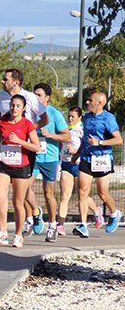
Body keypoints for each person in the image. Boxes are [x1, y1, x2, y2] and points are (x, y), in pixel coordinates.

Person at [0, 68, 49, 234]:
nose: (2, 82)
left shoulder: (30, 98)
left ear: (15, 83)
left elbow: (45, 119)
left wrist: (27, 131)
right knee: (1, 194)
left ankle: (35, 212)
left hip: (25, 148)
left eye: (5, 79)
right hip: (5, 148)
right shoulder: (0, 96)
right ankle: (2, 231)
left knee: (23, 191)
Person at [0, 94, 41, 248]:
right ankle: (2, 231)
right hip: (4, 164)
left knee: (18, 202)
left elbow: (36, 146)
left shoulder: (27, 124)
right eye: (12, 105)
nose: (14, 108)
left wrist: (19, 141)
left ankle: (18, 235)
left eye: (18, 106)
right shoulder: (3, 122)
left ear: (23, 108)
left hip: (21, 165)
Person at [73, 92, 123, 237]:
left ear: (100, 103)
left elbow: (118, 140)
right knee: (82, 191)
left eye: (90, 100)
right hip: (86, 159)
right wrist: (77, 154)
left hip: (102, 159)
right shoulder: (87, 117)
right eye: (87, 100)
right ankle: (83, 225)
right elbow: (84, 138)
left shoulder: (108, 118)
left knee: (102, 193)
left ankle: (114, 213)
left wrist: (99, 142)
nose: (87, 103)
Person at [53, 106, 102, 242]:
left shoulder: (81, 129)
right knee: (64, 196)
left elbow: (87, 146)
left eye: (73, 116)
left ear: (79, 117)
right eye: (68, 116)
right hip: (66, 164)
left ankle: (96, 211)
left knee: (83, 195)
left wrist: (76, 150)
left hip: (79, 164)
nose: (70, 119)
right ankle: (60, 225)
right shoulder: (65, 129)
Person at [27, 83, 70, 238]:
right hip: (32, 156)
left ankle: (52, 225)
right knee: (25, 189)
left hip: (49, 158)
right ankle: (34, 215)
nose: (36, 97)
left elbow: (67, 136)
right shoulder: (29, 112)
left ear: (47, 98)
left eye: (39, 95)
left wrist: (51, 135)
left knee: (48, 193)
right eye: (34, 94)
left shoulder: (54, 113)